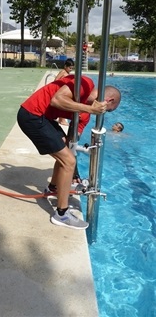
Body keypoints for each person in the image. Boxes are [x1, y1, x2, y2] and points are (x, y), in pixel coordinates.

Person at [17, 75, 121, 230]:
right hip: (32, 114)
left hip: (44, 118)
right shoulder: (85, 83)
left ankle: (53, 188)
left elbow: (71, 141)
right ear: (109, 101)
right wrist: (90, 108)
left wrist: (74, 171)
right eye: (109, 110)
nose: (104, 113)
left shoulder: (85, 115)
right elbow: (56, 100)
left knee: (66, 156)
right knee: (68, 161)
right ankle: (61, 214)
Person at [54, 59, 75, 126]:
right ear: (65, 66)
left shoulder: (67, 73)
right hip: (60, 91)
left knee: (62, 106)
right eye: (69, 68)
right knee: (62, 105)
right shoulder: (63, 72)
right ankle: (61, 120)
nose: (71, 69)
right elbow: (56, 80)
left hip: (63, 92)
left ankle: (60, 118)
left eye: (72, 68)